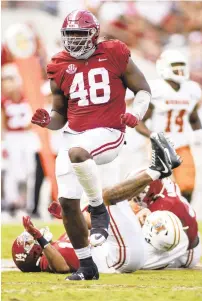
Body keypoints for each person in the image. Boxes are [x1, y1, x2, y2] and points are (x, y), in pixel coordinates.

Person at [31, 9, 152, 280]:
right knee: (68, 202)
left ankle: (98, 211)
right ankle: (87, 266)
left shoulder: (114, 52)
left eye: (79, 33)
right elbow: (60, 115)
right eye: (69, 34)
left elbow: (143, 89)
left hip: (109, 130)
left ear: (94, 34)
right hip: (74, 133)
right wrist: (47, 120)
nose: (73, 39)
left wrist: (137, 114)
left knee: (78, 153)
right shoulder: (59, 64)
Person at [12, 132, 182, 275]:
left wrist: (70, 215)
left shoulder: (57, 245)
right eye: (28, 242)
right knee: (104, 197)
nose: (31, 236)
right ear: (33, 253)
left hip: (121, 250)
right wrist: (40, 239)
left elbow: (95, 226)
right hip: (117, 258)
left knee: (99, 200)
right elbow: (62, 267)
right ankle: (157, 170)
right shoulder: (46, 259)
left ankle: (155, 167)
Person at [135, 49, 202, 203]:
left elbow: (193, 117)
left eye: (182, 65)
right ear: (164, 67)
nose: (180, 70)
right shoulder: (156, 89)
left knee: (187, 187)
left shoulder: (191, 89)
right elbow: (139, 120)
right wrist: (152, 135)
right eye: (175, 65)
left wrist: (198, 132)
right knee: (157, 187)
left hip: (182, 143)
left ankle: (183, 218)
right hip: (158, 145)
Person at [1, 63, 40, 217]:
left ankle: (29, 205)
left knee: (30, 170)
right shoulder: (4, 101)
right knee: (12, 171)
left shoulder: (28, 97)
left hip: (27, 135)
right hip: (12, 136)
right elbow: (2, 122)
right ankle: (12, 203)